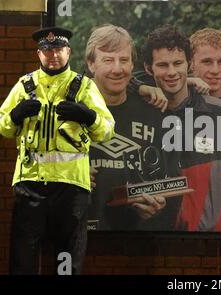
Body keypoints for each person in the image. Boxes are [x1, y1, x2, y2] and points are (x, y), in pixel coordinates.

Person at [0, 26, 115, 274]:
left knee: (67, 254)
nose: (53, 55)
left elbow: (107, 130)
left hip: (70, 185)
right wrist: (16, 115)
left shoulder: (84, 87)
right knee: (23, 253)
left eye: (58, 49)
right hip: (30, 183)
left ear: (68, 52)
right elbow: (2, 125)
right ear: (39, 54)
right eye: (47, 50)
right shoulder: (24, 85)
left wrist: (88, 115)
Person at [142, 25, 221, 231]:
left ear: (187, 64)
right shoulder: (143, 112)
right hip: (160, 238)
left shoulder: (220, 111)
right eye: (162, 65)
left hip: (217, 235)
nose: (171, 72)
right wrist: (139, 86)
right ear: (148, 68)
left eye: (177, 63)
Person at [85, 24, 179, 231]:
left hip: (140, 241)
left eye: (124, 60)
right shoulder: (69, 111)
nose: (117, 69)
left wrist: (160, 203)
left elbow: (170, 180)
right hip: (82, 238)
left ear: (132, 64)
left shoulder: (155, 112)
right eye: (108, 60)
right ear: (91, 64)